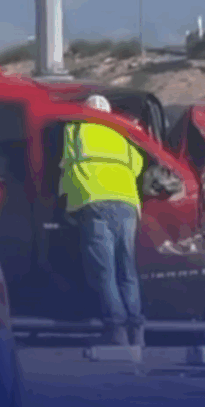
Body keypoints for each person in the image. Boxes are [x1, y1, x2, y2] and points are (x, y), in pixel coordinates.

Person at [58, 94, 146, 347]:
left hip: (94, 201)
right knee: (127, 270)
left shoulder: (76, 128)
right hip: (127, 204)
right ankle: (136, 331)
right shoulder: (122, 133)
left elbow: (66, 165)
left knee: (104, 271)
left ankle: (116, 330)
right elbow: (138, 165)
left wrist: (66, 204)